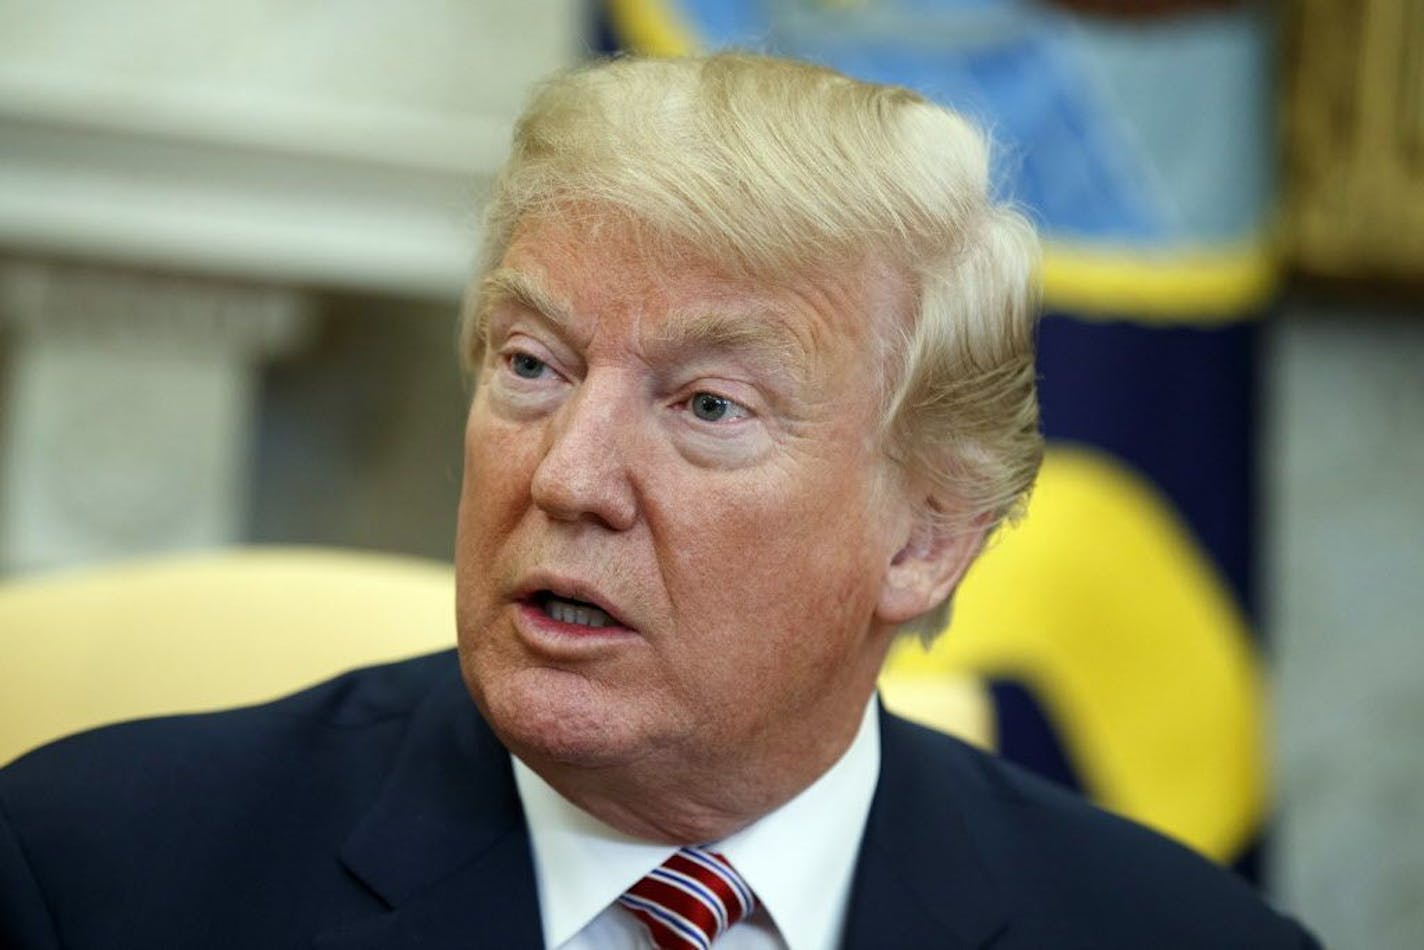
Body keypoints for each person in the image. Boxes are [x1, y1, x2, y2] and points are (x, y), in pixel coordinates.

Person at [0, 53, 1317, 949]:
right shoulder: (96, 879)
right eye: (532, 365)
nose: (567, 477)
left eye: (708, 407)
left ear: (924, 535)